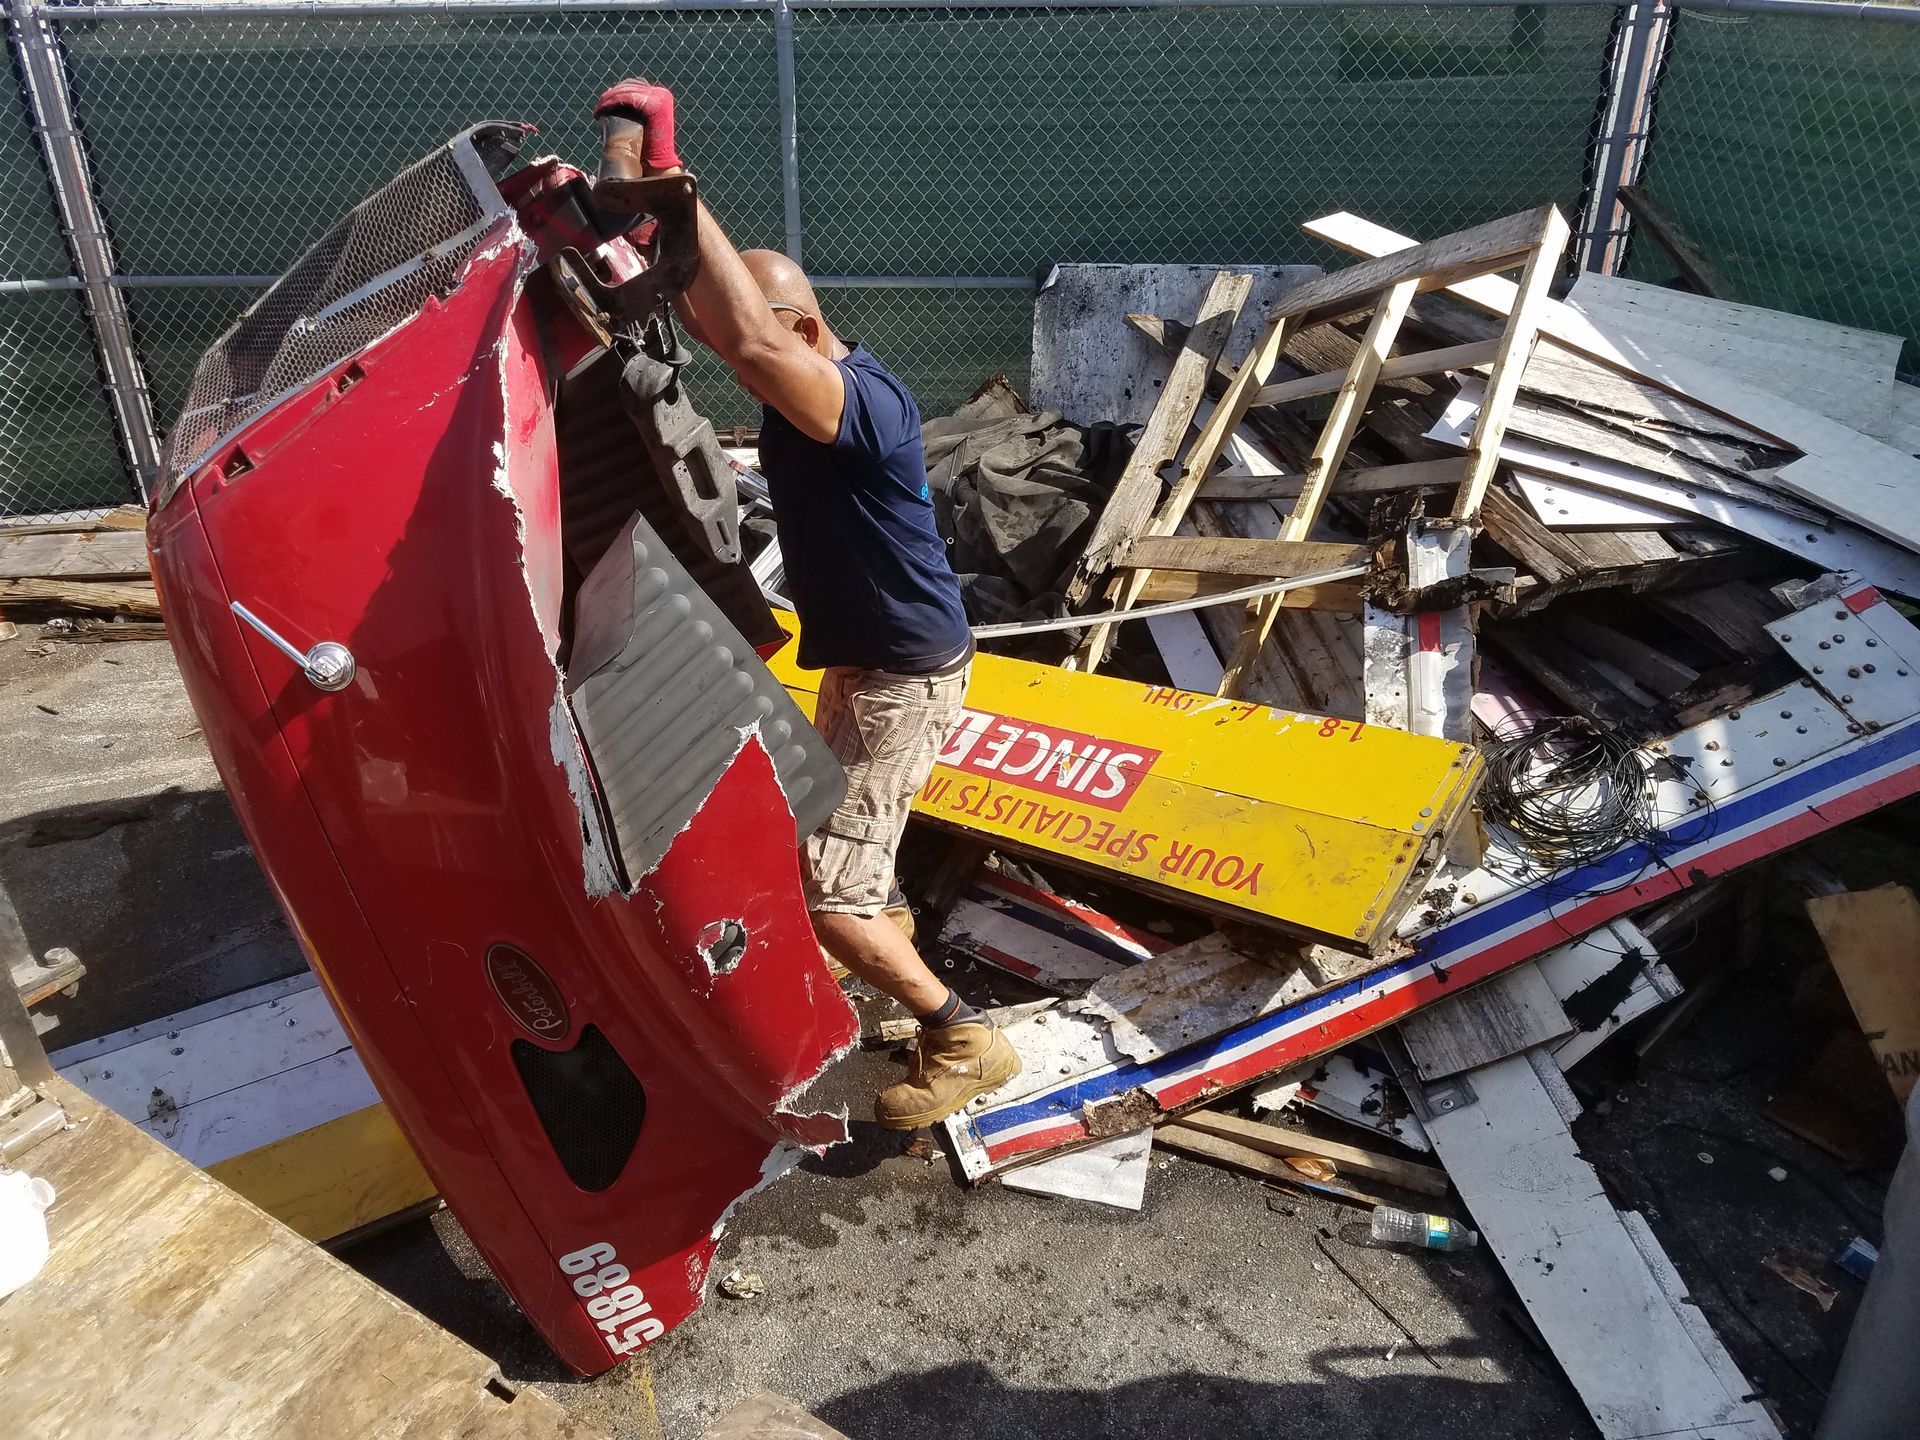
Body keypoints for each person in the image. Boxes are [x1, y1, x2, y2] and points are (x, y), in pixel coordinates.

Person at [593, 79, 1020, 1130]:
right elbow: (732, 322)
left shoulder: (857, 408)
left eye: (759, 342)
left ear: (804, 326)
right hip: (879, 664)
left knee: (833, 893)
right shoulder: (830, 378)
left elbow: (748, 341)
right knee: (835, 839)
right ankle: (904, 981)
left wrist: (677, 200)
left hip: (901, 680)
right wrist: (662, 207)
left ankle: (965, 1035)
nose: (734, 365)